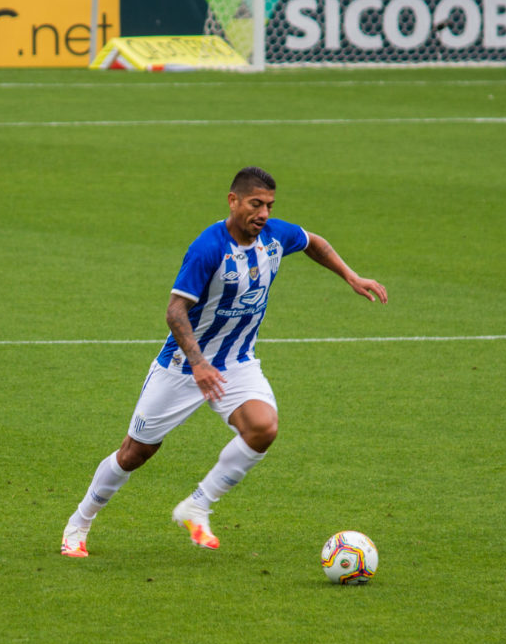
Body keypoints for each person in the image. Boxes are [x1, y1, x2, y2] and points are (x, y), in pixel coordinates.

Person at [61, 166, 388, 557]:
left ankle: (197, 505)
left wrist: (350, 276)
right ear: (233, 201)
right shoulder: (209, 248)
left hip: (237, 363)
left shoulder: (275, 236)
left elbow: (312, 242)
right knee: (135, 453)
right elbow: (175, 311)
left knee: (263, 428)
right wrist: (198, 363)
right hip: (183, 367)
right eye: (255, 204)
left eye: (269, 205)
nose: (263, 214)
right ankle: (79, 522)